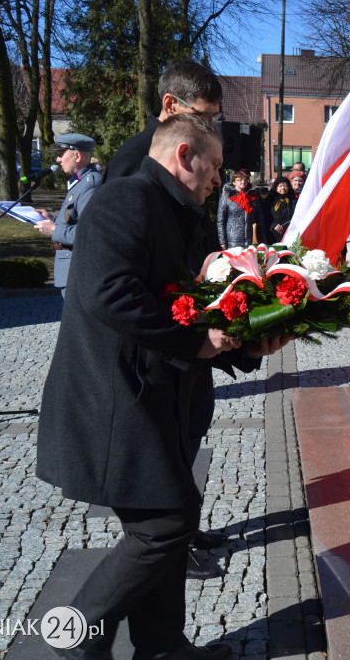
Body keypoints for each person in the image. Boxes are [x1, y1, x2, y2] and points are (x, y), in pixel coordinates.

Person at [36, 114, 290, 660]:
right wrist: (193, 343)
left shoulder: (180, 212)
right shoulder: (124, 200)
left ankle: (161, 647)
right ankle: (76, 633)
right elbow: (111, 294)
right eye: (215, 166)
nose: (219, 179)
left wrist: (245, 345)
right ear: (184, 156)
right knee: (165, 526)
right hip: (113, 400)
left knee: (169, 521)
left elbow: (197, 309)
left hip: (155, 398)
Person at [103, 58, 228, 580]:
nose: (212, 129)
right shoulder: (135, 169)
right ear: (170, 108)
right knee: (159, 464)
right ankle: (161, 541)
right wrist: (186, 337)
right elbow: (123, 278)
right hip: (157, 351)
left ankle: (180, 527)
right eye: (205, 116)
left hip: (186, 340)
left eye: (216, 119)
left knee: (187, 438)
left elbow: (197, 240)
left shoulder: (191, 166)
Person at [33, 133, 102, 298]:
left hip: (79, 273)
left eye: (61, 154)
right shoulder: (80, 182)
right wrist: (52, 219)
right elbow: (76, 220)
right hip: (72, 273)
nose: (58, 160)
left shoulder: (89, 185)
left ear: (77, 155)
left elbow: (90, 233)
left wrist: (55, 230)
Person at [216, 169, 261, 249]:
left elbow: (260, 218)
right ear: (234, 182)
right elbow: (221, 220)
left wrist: (262, 237)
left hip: (251, 238)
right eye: (239, 180)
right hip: (233, 239)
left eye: (245, 179)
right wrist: (222, 240)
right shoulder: (226, 197)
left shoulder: (254, 197)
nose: (243, 182)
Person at [265, 176, 297, 243]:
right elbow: (266, 215)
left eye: (285, 186)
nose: (283, 188)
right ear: (276, 188)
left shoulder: (293, 199)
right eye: (280, 186)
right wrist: (274, 225)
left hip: (290, 231)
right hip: (275, 232)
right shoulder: (270, 200)